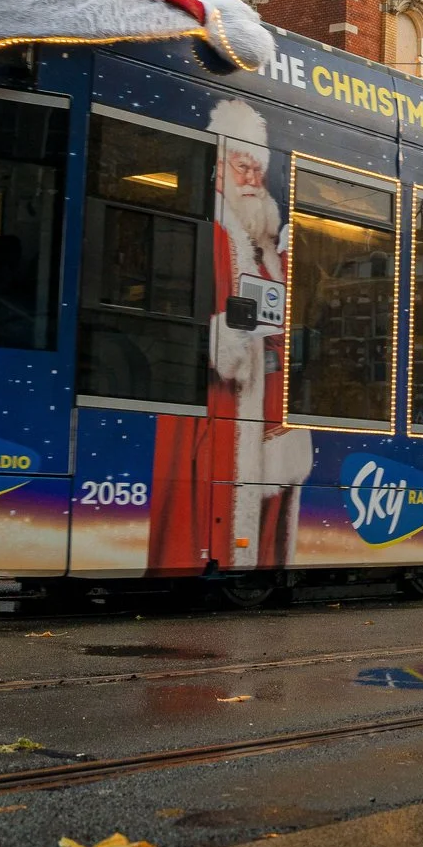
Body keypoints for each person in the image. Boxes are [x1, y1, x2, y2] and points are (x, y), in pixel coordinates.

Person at [150, 99, 310, 573]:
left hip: (268, 418)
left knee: (265, 536)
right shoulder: (217, 237)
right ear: (218, 169)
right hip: (225, 416)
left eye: (257, 171)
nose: (252, 180)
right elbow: (222, 348)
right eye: (243, 167)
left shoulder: (265, 251)